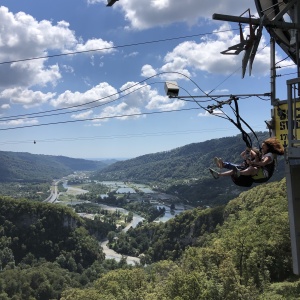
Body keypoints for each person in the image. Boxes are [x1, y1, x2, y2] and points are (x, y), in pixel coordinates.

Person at [209, 137, 284, 182]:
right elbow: (245, 156)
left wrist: (251, 160)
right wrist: (248, 152)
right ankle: (219, 172)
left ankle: (234, 170)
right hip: (259, 172)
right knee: (236, 168)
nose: (262, 148)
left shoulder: (269, 155)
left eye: (263, 147)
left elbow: (263, 163)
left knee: (249, 168)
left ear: (268, 148)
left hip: (264, 174)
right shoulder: (264, 154)